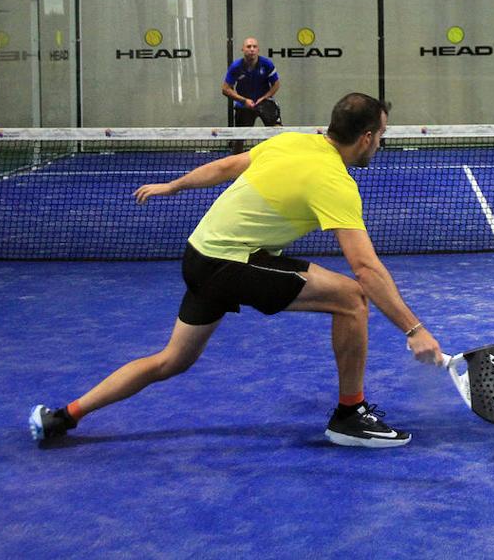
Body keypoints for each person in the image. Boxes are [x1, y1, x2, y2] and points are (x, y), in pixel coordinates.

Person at [29, 93, 443, 447]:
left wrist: (173, 186)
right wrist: (413, 329)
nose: (380, 144)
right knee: (352, 298)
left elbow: (227, 166)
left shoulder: (293, 142)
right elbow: (366, 268)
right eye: (381, 136)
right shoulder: (335, 181)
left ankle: (65, 415)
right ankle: (350, 416)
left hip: (199, 255)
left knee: (171, 361)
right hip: (229, 262)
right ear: (366, 137)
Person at [223, 37, 281, 154]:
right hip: (244, 106)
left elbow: (276, 84)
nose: (252, 49)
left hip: (265, 102)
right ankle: (236, 165)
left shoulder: (267, 64)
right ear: (243, 49)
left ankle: (278, 158)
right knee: (239, 139)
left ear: (258, 49)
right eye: (248, 47)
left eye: (254, 47)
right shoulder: (236, 67)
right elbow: (225, 89)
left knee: (277, 132)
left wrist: (265, 97)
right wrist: (244, 100)